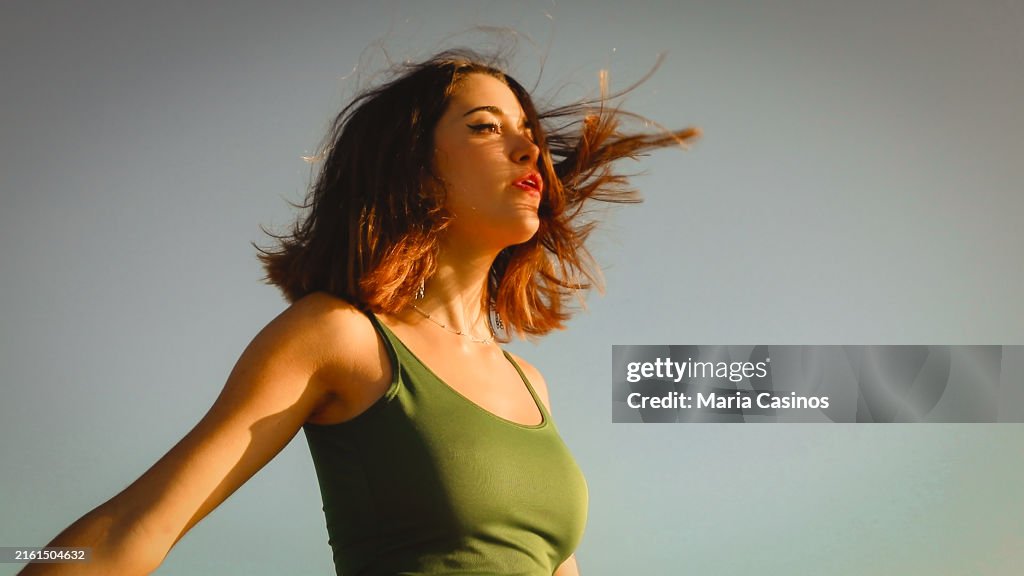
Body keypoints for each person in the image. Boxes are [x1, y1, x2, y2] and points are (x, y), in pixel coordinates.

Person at [21, 48, 698, 576]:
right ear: (413, 165)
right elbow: (130, 531)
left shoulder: (529, 384)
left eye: (529, 133)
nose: (529, 150)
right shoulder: (337, 337)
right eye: (487, 127)